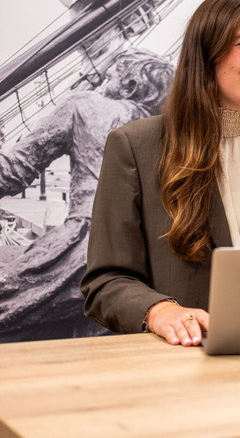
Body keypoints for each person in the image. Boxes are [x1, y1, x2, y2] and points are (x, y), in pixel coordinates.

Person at [81, 0, 240, 347]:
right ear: (206, 54)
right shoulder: (134, 148)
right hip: (179, 373)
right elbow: (106, 282)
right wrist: (159, 311)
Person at [0, 47, 174, 342]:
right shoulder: (178, 134)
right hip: (157, 263)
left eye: (110, 77)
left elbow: (13, 171)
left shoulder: (85, 106)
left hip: (88, 251)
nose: (104, 84)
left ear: (129, 85)